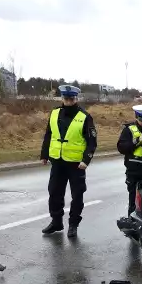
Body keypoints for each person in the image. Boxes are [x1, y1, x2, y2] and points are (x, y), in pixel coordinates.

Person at [40, 85, 97, 238]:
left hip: (76, 164)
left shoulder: (84, 117)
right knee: (54, 192)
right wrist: (44, 154)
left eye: (71, 99)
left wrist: (86, 160)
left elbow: (92, 141)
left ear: (76, 99)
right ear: (62, 98)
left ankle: (73, 225)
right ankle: (56, 221)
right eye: (65, 98)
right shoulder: (54, 113)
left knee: (77, 195)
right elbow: (48, 135)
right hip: (58, 161)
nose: (68, 101)